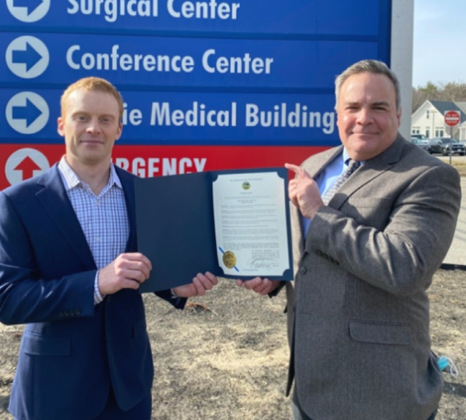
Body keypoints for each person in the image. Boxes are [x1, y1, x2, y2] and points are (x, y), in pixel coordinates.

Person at [238, 60, 461, 420]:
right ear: (337, 114)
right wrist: (277, 275)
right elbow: (307, 248)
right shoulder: (314, 165)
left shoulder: (430, 176)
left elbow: (405, 267)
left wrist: (319, 212)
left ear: (399, 113)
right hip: (311, 381)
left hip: (379, 389)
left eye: (379, 107)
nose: (364, 118)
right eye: (353, 107)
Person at [0, 77, 217, 420]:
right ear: (61, 125)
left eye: (105, 120)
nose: (93, 129)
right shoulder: (19, 202)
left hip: (127, 389)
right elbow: (8, 299)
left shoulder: (143, 194)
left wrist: (175, 286)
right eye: (81, 117)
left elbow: (148, 267)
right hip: (54, 390)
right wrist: (96, 284)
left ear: (119, 129)